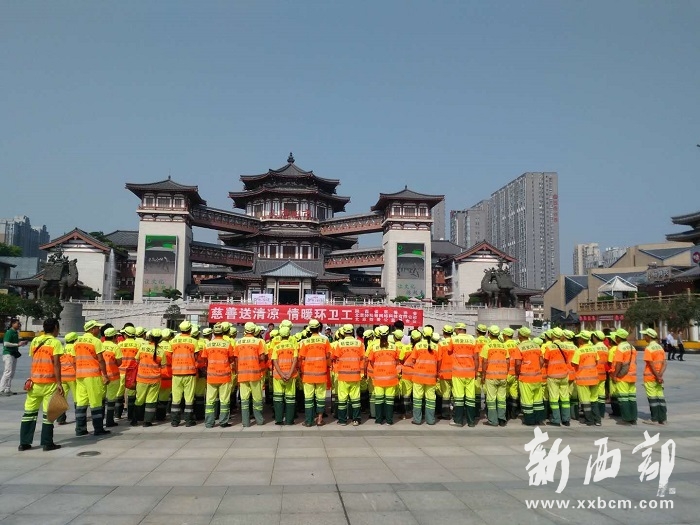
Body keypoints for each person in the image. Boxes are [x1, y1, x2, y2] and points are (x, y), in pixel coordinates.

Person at [18, 318, 63, 451]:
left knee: (29, 413)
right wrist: (59, 383)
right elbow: (56, 364)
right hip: (49, 383)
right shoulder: (55, 342)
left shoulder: (35, 341)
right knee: (48, 414)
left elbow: (34, 359)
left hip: (34, 382)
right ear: (56, 328)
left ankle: (24, 443)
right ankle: (47, 443)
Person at [74, 320, 110, 436]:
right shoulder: (96, 341)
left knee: (81, 402)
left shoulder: (77, 341)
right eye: (97, 328)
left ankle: (80, 429)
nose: (99, 330)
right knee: (96, 402)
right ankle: (98, 429)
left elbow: (74, 360)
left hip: (80, 375)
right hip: (92, 375)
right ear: (92, 329)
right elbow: (101, 360)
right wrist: (105, 375)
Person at [299, 319, 331, 427]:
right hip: (321, 373)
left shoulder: (305, 342)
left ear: (310, 329)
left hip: (308, 374)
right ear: (319, 328)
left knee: (308, 398)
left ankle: (308, 421)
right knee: (320, 397)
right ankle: (320, 420)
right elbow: (328, 355)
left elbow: (302, 357)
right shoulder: (325, 340)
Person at [202, 323, 235, 428]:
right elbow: (231, 359)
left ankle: (209, 423)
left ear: (213, 333)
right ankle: (223, 422)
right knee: (224, 400)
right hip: (224, 376)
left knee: (210, 400)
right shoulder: (227, 344)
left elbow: (204, 360)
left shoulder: (207, 345)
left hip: (211, 376)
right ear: (223, 332)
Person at [234, 322, 267, 427]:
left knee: (244, 399)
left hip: (242, 374)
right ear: (254, 331)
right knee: (257, 398)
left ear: (245, 330)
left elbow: (236, 359)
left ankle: (245, 422)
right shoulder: (258, 342)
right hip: (255, 374)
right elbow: (262, 357)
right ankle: (259, 420)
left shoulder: (238, 342)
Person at [405, 328, 440, 425]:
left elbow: (413, 360)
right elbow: (439, 362)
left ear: (423, 335)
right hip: (431, 377)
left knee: (417, 399)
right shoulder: (437, 347)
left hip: (418, 377)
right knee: (430, 399)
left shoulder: (417, 345)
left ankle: (417, 420)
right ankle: (430, 420)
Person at [333, 324, 365, 426]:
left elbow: (336, 358)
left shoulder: (340, 343)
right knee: (355, 399)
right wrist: (362, 373)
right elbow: (362, 359)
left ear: (344, 332)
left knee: (342, 399)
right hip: (355, 375)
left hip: (343, 375)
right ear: (352, 331)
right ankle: (356, 420)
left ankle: (342, 420)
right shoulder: (359, 343)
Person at [169, 321, 200, 427]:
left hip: (176, 373)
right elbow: (196, 357)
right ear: (190, 330)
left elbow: (170, 356)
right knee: (189, 398)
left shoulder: (173, 341)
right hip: (189, 372)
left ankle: (175, 421)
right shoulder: (194, 341)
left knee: (176, 398)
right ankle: (188, 420)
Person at [367, 325, 399, 425]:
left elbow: (371, 361)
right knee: (389, 400)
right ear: (388, 334)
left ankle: (379, 420)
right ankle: (389, 420)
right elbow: (397, 361)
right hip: (391, 378)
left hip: (378, 378)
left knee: (379, 399)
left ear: (379, 335)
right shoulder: (394, 347)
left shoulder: (374, 348)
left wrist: (378, 368)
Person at [514, 327, 545, 426]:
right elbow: (541, 361)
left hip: (525, 378)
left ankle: (529, 420)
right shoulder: (536, 346)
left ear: (520, 336)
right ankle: (539, 419)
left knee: (527, 400)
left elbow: (518, 363)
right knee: (537, 400)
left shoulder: (519, 347)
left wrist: (518, 373)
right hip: (537, 377)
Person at [132, 329, 164, 427]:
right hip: (155, 379)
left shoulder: (143, 347)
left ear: (150, 337)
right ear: (160, 339)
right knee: (151, 400)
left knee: (139, 399)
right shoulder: (161, 351)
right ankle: (147, 421)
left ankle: (135, 420)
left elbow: (136, 360)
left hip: (142, 378)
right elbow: (163, 365)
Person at [449, 322, 478, 427]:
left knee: (459, 397)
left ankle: (458, 421)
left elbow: (449, 351)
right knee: (470, 397)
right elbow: (476, 357)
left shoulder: (453, 339)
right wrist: (475, 372)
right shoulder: (473, 339)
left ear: (458, 330)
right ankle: (471, 422)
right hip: (470, 372)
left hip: (458, 372)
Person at [480, 325, 509, 427]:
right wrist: (506, 373)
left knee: (491, 399)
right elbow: (508, 361)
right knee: (502, 399)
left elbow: (484, 362)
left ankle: (493, 420)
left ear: (489, 334)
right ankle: (502, 419)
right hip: (503, 376)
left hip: (491, 376)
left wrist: (483, 375)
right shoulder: (504, 346)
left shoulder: (487, 346)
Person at [570, 331, 601, 426]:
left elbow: (574, 364)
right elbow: (597, 362)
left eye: (579, 338)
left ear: (581, 339)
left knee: (585, 401)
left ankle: (589, 420)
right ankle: (597, 420)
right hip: (594, 378)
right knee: (594, 400)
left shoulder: (579, 351)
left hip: (583, 379)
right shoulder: (594, 349)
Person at [271, 325, 298, 425]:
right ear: (289, 334)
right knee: (290, 399)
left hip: (278, 376)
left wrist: (282, 374)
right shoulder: (293, 346)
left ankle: (279, 420)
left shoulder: (276, 347)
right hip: (291, 376)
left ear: (280, 336)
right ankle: (289, 420)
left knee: (278, 398)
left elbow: (275, 362)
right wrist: (289, 374)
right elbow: (295, 360)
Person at [641, 328, 667, 425]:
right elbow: (664, 363)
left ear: (649, 336)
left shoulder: (648, 348)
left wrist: (657, 376)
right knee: (660, 397)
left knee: (652, 398)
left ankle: (654, 419)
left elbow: (651, 364)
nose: (644, 337)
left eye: (645, 335)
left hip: (650, 377)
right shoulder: (660, 347)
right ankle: (663, 419)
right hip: (659, 377)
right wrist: (660, 375)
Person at [612, 328, 637, 424]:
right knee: (632, 397)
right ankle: (633, 418)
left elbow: (618, 363)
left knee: (623, 398)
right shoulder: (632, 347)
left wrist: (615, 375)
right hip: (632, 375)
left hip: (623, 376)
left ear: (619, 338)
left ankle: (626, 418)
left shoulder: (620, 348)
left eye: (616, 336)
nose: (615, 338)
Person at [101, 327, 123, 427]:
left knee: (101, 398)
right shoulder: (115, 347)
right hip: (113, 377)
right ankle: (109, 421)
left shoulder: (100, 345)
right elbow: (119, 362)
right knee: (111, 399)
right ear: (114, 337)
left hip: (101, 376)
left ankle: (100, 419)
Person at [55, 332, 78, 425]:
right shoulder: (74, 348)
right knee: (77, 398)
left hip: (62, 376)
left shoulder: (62, 348)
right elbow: (74, 362)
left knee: (62, 397)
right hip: (72, 376)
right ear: (75, 340)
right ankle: (79, 417)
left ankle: (60, 419)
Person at [2, 318, 27, 396]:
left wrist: (21, 343)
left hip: (13, 354)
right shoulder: (9, 332)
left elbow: (15, 343)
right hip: (8, 354)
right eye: (17, 323)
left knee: (11, 372)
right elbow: (6, 343)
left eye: (19, 324)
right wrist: (17, 344)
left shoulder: (15, 332)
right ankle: (1, 389)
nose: (19, 325)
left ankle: (7, 389)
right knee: (8, 372)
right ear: (12, 324)